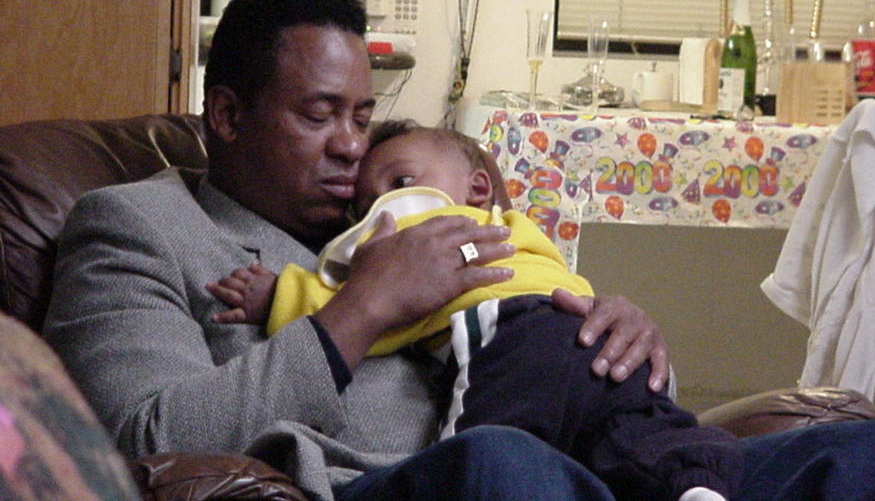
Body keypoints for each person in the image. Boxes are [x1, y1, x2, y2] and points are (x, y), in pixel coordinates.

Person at [42, 0, 875, 501]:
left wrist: (615, 338)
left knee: (870, 453)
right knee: (503, 463)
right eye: (318, 115)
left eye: (360, 116)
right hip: (418, 479)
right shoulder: (136, 227)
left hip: (587, 468)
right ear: (228, 116)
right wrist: (361, 307)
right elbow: (139, 439)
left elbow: (531, 335)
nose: (350, 147)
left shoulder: (405, 205)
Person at [208, 120, 743, 501]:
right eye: (364, 208)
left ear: (478, 188)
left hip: (512, 343)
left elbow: (373, 311)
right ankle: (694, 482)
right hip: (581, 341)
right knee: (645, 435)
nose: (381, 212)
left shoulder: (428, 238)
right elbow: (559, 282)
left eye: (400, 184)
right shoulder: (517, 230)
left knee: (480, 444)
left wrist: (279, 296)